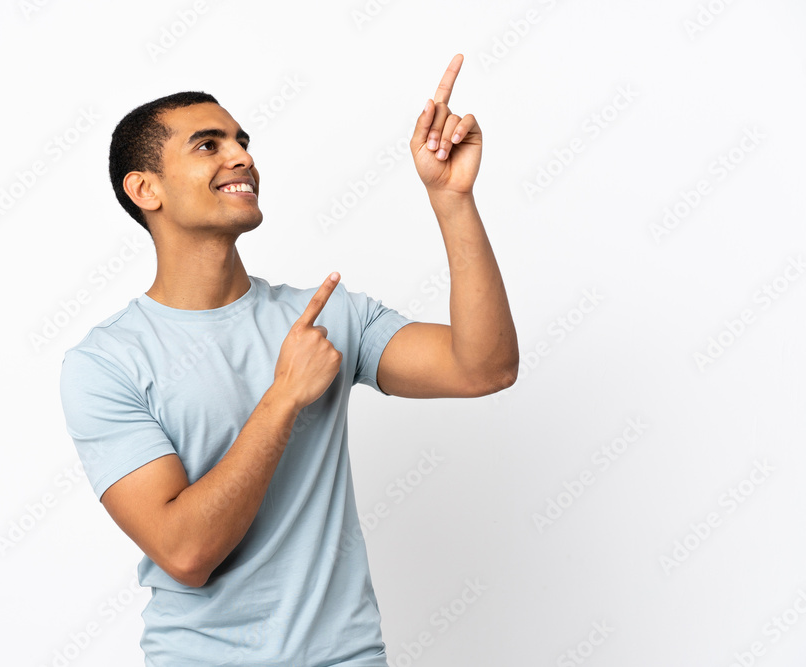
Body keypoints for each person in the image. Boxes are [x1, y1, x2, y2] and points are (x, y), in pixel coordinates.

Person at [59, 53, 518, 666]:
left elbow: (484, 367)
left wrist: (452, 199)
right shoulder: (106, 363)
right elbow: (187, 553)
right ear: (146, 189)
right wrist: (283, 397)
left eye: (242, 141)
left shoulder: (328, 316)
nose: (241, 156)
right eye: (207, 145)